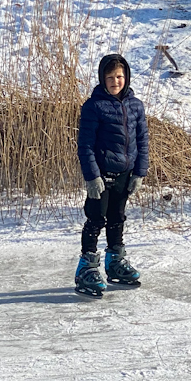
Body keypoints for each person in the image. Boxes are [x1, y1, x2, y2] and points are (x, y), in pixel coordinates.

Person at [74, 53, 149, 297]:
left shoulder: (135, 105)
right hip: (102, 174)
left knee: (117, 218)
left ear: (126, 77)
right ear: (102, 79)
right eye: (110, 77)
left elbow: (142, 140)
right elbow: (85, 145)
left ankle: (115, 261)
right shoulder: (93, 106)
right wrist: (92, 176)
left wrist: (139, 171)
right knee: (96, 218)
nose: (115, 81)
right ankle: (87, 267)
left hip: (125, 173)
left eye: (119, 76)